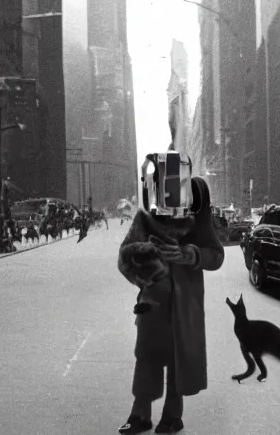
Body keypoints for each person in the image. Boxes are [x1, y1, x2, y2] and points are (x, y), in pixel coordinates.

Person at [117, 177, 224, 434]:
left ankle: (172, 416)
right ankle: (140, 413)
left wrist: (191, 254)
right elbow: (124, 258)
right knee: (147, 356)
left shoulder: (197, 214)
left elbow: (216, 254)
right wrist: (148, 263)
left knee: (181, 359)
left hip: (185, 303)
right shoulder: (145, 219)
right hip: (153, 302)